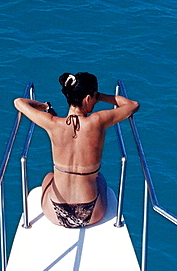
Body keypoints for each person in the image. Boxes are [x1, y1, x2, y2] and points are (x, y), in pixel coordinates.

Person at [14, 72, 139, 228]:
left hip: (55, 212)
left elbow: (19, 102)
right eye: (93, 98)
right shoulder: (98, 121)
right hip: (92, 212)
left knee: (49, 176)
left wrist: (45, 106)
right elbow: (133, 105)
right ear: (87, 98)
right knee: (99, 179)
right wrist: (101, 96)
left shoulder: (52, 123)